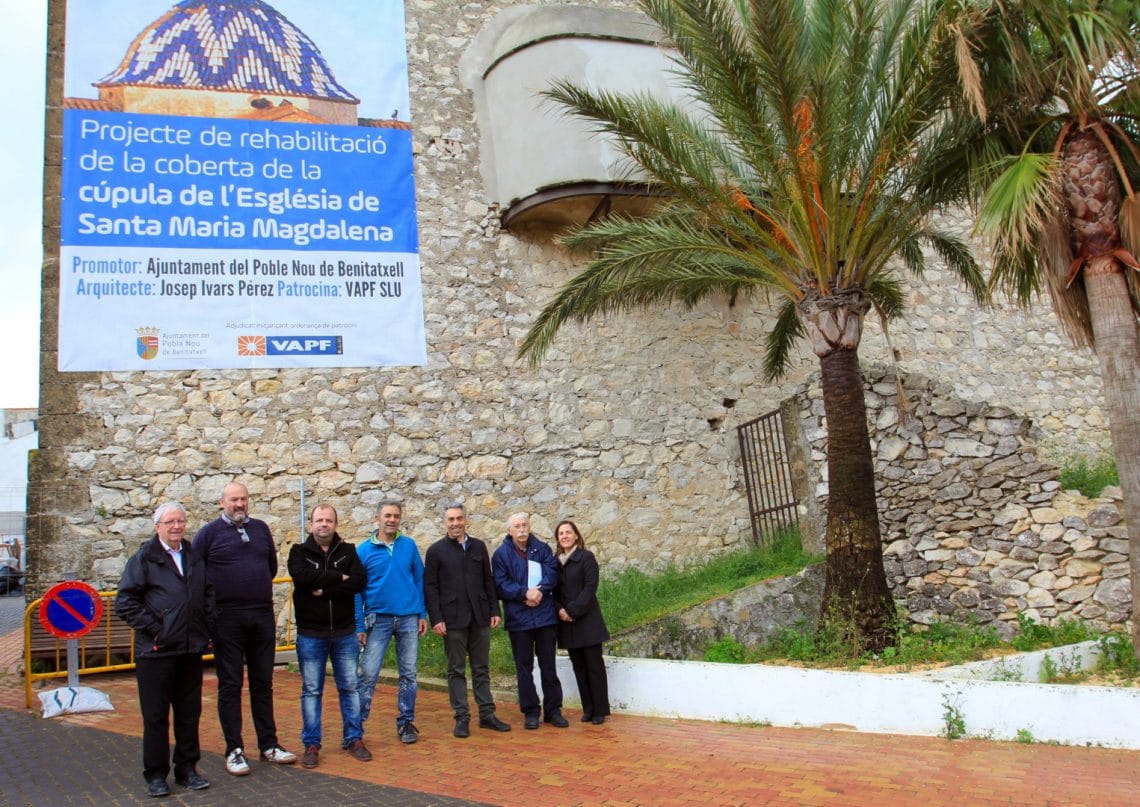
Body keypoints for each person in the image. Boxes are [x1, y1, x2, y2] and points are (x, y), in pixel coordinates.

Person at [193, 481, 296, 775]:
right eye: (233, 500)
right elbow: (197, 575)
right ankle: (234, 749)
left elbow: (271, 568)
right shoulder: (208, 534)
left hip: (261, 616)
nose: (239, 504)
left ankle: (268, 744)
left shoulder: (261, 529)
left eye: (243, 499)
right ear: (222, 503)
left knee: (263, 683)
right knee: (230, 684)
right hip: (227, 619)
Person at [116, 502, 214, 798]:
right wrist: (157, 629)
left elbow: (207, 594)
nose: (177, 526)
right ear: (157, 525)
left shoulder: (194, 556)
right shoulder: (144, 558)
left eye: (181, 521)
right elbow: (125, 602)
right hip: (156, 652)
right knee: (156, 717)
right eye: (170, 521)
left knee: (189, 714)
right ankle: (156, 775)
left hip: (189, 650)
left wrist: (205, 626)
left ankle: (187, 770)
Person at [287, 504, 369, 769]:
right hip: (311, 634)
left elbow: (358, 582)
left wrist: (324, 587)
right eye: (319, 520)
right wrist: (338, 577)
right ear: (311, 524)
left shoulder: (348, 551)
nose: (324, 524)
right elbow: (302, 578)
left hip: (344, 633)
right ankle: (311, 743)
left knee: (350, 688)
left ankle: (354, 738)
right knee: (311, 691)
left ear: (336, 524)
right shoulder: (298, 552)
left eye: (329, 520)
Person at [423, 502, 511, 738]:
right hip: (452, 621)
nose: (455, 524)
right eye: (450, 520)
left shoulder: (479, 547)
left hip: (480, 617)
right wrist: (436, 618)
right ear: (445, 523)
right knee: (456, 670)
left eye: (459, 519)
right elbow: (430, 588)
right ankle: (462, 717)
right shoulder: (436, 551)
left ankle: (487, 715)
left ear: (466, 520)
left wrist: (495, 610)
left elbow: (488, 580)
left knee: (481, 668)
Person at [355, 499, 428, 745]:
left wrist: (422, 613)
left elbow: (420, 579)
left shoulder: (408, 545)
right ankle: (356, 727)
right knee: (368, 673)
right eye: (387, 515)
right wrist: (359, 625)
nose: (392, 519)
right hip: (379, 618)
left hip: (408, 617)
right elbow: (357, 591)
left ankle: (406, 721)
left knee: (409, 673)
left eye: (396, 515)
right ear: (377, 518)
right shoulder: (363, 550)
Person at [492, 512, 568, 729]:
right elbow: (501, 584)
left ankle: (553, 710)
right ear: (510, 530)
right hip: (519, 619)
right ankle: (531, 711)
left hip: (544, 617)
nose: (522, 529)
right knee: (523, 667)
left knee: (548, 666)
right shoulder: (501, 555)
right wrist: (525, 593)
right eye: (517, 526)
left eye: (525, 525)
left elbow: (552, 574)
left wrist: (539, 592)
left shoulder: (542, 549)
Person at [553, 520, 611, 724]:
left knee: (594, 667)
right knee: (579, 668)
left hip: (587, 621)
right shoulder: (555, 562)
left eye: (569, 532)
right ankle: (588, 709)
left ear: (576, 535)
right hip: (568, 624)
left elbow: (590, 587)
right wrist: (560, 609)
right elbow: (553, 591)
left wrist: (573, 610)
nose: (565, 536)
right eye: (561, 533)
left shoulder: (586, 557)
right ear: (558, 538)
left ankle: (599, 711)